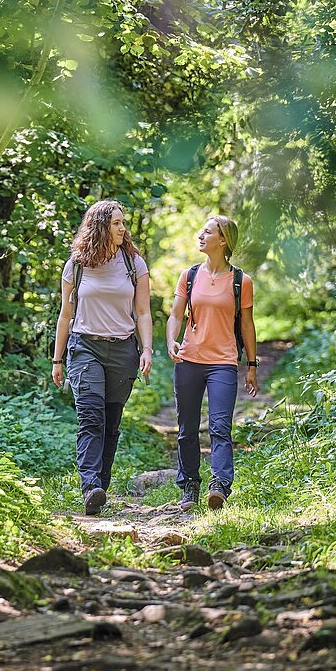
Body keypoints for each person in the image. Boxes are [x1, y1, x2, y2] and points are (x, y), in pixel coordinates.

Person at [52, 200, 153, 516]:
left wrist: (147, 349)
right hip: (85, 348)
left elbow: (143, 311)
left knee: (110, 423)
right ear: (100, 227)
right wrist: (57, 360)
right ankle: (89, 485)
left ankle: (100, 488)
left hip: (123, 350)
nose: (123, 228)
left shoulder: (133, 263)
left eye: (124, 223)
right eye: (117, 223)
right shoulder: (77, 265)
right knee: (91, 416)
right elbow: (65, 314)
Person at [166, 215, 258, 511]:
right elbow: (176, 315)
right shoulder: (189, 276)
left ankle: (219, 484)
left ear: (223, 240)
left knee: (220, 425)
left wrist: (252, 366)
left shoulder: (241, 281)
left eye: (207, 232)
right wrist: (171, 340)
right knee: (187, 428)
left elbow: (247, 325)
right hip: (189, 360)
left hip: (223, 362)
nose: (200, 235)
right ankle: (189, 485)